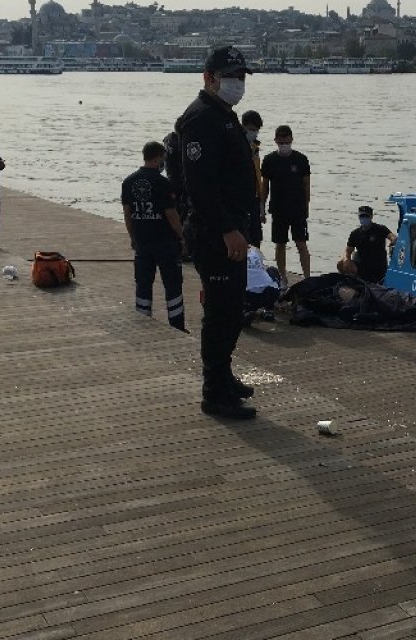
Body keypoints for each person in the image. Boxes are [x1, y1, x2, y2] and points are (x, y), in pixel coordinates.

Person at [175, 45, 259, 420]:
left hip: (231, 228)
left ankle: (223, 375)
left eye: (241, 77)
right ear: (209, 78)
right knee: (221, 311)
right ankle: (214, 391)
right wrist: (227, 231)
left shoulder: (224, 114)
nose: (237, 83)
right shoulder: (201, 119)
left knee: (232, 308)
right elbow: (200, 186)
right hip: (214, 231)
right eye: (230, 77)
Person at [122, 141, 186, 331]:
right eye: (163, 158)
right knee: (173, 285)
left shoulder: (129, 182)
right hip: (165, 243)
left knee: (143, 284)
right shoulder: (162, 183)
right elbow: (171, 215)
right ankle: (176, 326)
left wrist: (132, 236)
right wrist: (182, 236)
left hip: (142, 241)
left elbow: (127, 214)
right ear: (158, 158)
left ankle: (143, 322)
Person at [261, 124, 311, 284]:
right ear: (275, 140)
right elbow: (265, 186)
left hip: (298, 209)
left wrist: (306, 207)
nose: (284, 145)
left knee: (301, 243)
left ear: (291, 140)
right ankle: (283, 276)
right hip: (278, 209)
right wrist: (261, 207)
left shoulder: (301, 159)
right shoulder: (269, 160)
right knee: (280, 243)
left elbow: (306, 186)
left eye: (286, 142)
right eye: (281, 143)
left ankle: (307, 277)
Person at [343, 205, 397, 284]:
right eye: (362, 216)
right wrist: (347, 259)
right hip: (362, 266)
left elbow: (392, 236)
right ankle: (351, 283)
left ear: (371, 216)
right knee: (341, 263)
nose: (364, 218)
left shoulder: (380, 229)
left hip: (378, 267)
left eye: (366, 216)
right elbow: (348, 251)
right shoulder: (355, 234)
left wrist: (393, 240)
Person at [241, 110, 267, 247]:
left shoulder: (255, 148)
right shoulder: (235, 145)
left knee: (256, 236)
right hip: (240, 197)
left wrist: (262, 206)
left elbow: (258, 176)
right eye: (251, 129)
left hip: (255, 197)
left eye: (256, 130)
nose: (254, 132)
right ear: (243, 127)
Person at [243, 246, 282, 325]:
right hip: (269, 294)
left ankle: (245, 311)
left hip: (248, 296)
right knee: (272, 270)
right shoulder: (255, 251)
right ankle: (268, 310)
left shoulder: (231, 254)